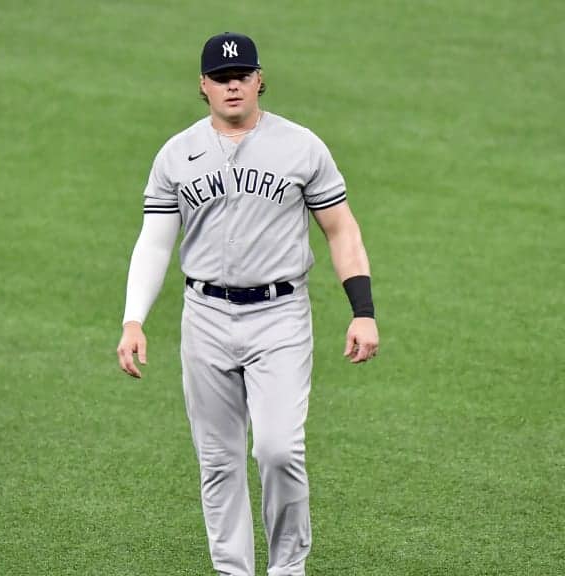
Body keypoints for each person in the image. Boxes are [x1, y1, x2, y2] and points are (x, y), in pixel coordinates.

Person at [116, 31, 379, 576]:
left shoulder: (302, 146)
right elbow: (155, 242)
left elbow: (341, 228)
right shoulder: (176, 154)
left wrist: (363, 309)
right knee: (218, 461)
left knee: (278, 450)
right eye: (220, 78)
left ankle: (288, 569)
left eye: (241, 76)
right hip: (205, 317)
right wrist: (133, 319)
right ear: (203, 86)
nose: (232, 86)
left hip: (280, 316)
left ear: (259, 79)